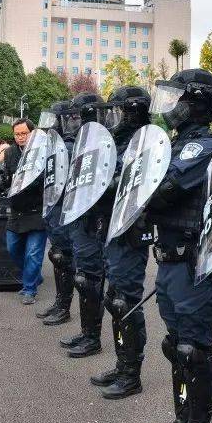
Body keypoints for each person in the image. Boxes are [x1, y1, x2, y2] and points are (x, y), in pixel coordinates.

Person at [141, 69, 212, 423]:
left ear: (196, 102)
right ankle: (181, 418)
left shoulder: (202, 146)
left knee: (193, 350)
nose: (170, 106)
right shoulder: (176, 144)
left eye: (178, 97)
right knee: (176, 346)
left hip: (193, 263)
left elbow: (162, 188)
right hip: (170, 259)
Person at [90, 87, 154, 400]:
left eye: (120, 110)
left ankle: (131, 373)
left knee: (125, 302)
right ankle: (121, 364)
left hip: (130, 232)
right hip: (113, 229)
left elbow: (125, 184)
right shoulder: (118, 141)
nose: (114, 117)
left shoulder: (145, 143)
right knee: (114, 299)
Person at [59, 93, 108, 357]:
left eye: (77, 116)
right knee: (83, 277)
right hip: (79, 217)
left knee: (91, 280)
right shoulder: (79, 144)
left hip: (94, 221)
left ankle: (93, 339)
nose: (71, 122)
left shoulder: (101, 144)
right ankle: (88, 333)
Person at [0, 118, 47, 304]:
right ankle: (33, 276)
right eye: (17, 134)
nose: (20, 137)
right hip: (17, 208)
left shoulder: (43, 151)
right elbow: (6, 176)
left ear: (32, 133)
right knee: (12, 248)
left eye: (24, 133)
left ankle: (29, 289)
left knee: (33, 253)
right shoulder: (9, 153)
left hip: (38, 208)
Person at [36, 101, 77, 326]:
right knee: (58, 256)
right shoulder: (55, 146)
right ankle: (60, 303)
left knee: (64, 258)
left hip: (63, 210)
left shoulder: (67, 147)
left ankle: (64, 306)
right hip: (54, 208)